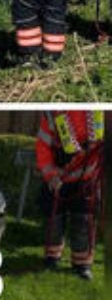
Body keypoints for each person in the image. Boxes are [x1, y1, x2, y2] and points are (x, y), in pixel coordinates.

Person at [35, 110, 103, 280]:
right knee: (54, 219)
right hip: (59, 177)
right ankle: (52, 257)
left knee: (84, 220)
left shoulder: (101, 113)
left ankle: (82, 264)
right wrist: (51, 176)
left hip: (87, 177)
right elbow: (43, 146)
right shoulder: (52, 114)